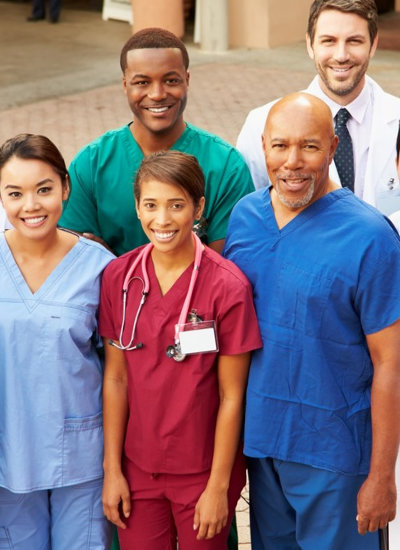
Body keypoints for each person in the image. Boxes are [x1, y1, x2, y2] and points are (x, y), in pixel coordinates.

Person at [224, 92, 400, 550]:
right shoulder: (245, 217)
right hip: (262, 445)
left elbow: (391, 364)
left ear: (332, 145)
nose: (293, 162)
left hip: (336, 453)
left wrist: (382, 475)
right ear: (263, 145)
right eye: (280, 146)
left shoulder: (370, 236)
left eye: (309, 146)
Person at [99, 150, 262, 550]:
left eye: (176, 205)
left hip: (203, 471)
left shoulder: (227, 286)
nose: (163, 220)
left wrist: (219, 487)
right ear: (137, 207)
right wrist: (112, 470)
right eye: (151, 205)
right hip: (137, 468)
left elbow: (231, 395)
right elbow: (116, 378)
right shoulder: (119, 278)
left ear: (199, 207)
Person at [0, 134, 114, 549]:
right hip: (7, 455)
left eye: (43, 190)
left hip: (81, 455)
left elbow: (120, 373)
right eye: (15, 193)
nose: (30, 206)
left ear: (65, 188)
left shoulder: (101, 267)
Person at [60, 28, 254, 256]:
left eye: (171, 80)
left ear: (187, 80)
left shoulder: (225, 165)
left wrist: (110, 259)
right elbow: (77, 259)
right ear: (125, 85)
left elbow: (223, 270)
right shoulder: (91, 164)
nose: (157, 94)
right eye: (142, 82)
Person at [236, 0, 400, 216]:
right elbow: (251, 219)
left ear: (373, 44)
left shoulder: (395, 116)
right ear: (309, 45)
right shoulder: (261, 123)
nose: (341, 55)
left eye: (354, 41)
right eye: (328, 41)